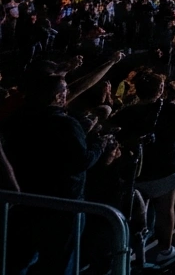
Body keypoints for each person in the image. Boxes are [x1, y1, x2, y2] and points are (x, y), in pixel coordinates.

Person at [3, 72, 115, 274]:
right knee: (60, 263)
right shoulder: (65, 124)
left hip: (27, 200)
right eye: (65, 90)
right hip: (63, 206)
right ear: (57, 96)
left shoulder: (17, 119)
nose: (68, 93)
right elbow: (81, 160)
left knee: (18, 261)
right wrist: (100, 143)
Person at [112, 72, 175, 268]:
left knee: (138, 213)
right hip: (165, 169)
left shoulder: (126, 112)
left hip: (136, 172)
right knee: (165, 212)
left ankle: (133, 253)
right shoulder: (168, 108)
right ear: (160, 90)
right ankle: (165, 251)